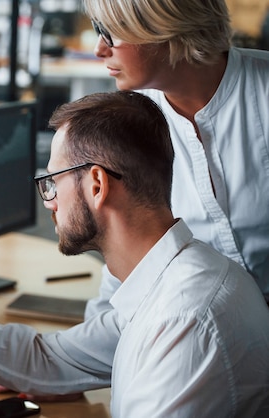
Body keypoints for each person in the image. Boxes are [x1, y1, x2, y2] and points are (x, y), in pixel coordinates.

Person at [0, 91, 269, 417]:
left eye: (52, 180)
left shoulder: (184, 321)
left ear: (97, 185)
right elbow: (46, 360)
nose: (48, 199)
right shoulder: (171, 284)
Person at [81, 0, 269, 320]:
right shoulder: (132, 124)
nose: (99, 50)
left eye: (110, 33)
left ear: (165, 29)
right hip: (205, 331)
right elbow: (129, 262)